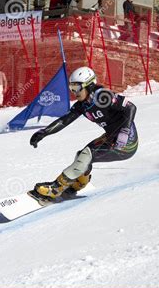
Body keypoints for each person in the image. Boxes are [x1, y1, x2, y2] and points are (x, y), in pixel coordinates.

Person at [29, 67, 138, 201]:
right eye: (71, 88)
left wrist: (125, 132)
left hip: (126, 143)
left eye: (76, 88)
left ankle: (56, 187)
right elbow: (64, 121)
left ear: (89, 85)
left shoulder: (102, 96)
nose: (74, 93)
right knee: (81, 155)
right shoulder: (82, 105)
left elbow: (131, 107)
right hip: (112, 137)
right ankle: (78, 184)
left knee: (87, 154)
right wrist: (44, 132)